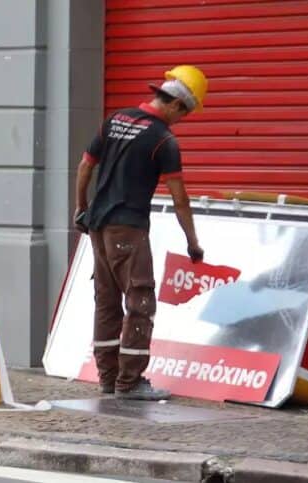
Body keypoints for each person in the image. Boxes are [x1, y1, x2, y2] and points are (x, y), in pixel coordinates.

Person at [73, 65, 208, 400]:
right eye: (185, 114)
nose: (182, 120)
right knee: (140, 300)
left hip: (98, 224)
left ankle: (108, 377)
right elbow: (180, 199)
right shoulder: (162, 139)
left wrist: (81, 207)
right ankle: (129, 382)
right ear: (176, 105)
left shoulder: (115, 119)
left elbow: (86, 165)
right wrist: (193, 242)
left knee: (106, 301)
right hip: (128, 228)